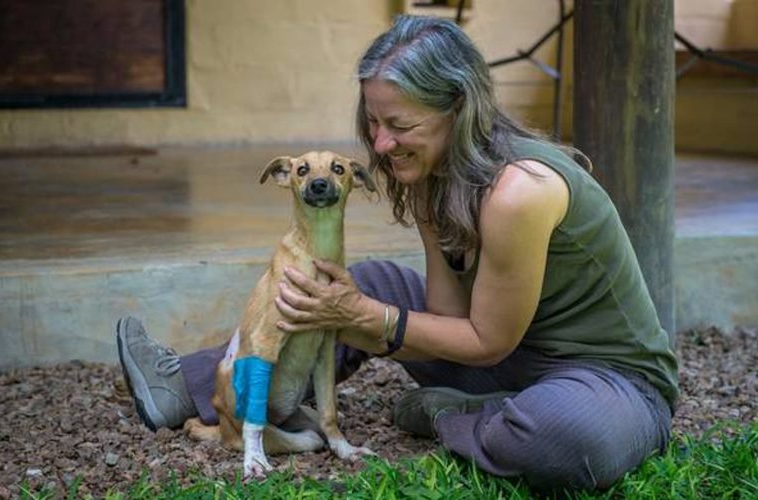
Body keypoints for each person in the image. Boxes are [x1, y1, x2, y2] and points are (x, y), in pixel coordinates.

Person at [116, 15, 678, 491]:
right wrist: (367, 297)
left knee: (567, 437)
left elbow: (485, 340)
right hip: (504, 358)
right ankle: (187, 386)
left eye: (399, 124)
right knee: (350, 284)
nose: (381, 144)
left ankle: (453, 414)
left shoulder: (520, 190)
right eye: (373, 122)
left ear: (458, 107)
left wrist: (367, 318)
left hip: (602, 378)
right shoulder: (433, 172)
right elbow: (449, 317)